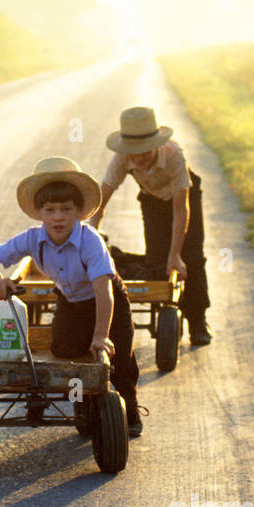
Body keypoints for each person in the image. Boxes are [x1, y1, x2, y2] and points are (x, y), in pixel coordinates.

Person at [0, 156, 142, 438]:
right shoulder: (31, 238)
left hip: (106, 301)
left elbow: (105, 293)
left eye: (66, 209)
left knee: (117, 359)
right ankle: (83, 405)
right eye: (50, 210)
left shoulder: (91, 241)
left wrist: (101, 335)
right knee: (66, 353)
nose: (58, 217)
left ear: (79, 212)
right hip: (70, 301)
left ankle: (131, 412)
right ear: (39, 213)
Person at [88, 107, 212, 345]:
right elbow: (103, 196)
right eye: (132, 153)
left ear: (155, 145)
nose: (138, 158)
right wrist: (92, 232)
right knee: (157, 262)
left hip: (184, 200)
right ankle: (168, 312)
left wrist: (176, 254)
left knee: (192, 257)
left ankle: (197, 320)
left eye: (143, 152)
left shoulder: (174, 154)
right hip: (153, 201)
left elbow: (180, 209)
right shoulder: (123, 157)